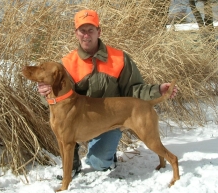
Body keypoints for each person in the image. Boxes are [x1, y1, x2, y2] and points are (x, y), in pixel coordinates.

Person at [38, 9, 178, 179]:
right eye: (82, 30)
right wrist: (47, 93)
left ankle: (107, 156)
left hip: (110, 119)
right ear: (76, 33)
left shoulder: (119, 58)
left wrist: (157, 90)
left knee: (98, 163)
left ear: (99, 31)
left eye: (91, 30)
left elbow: (134, 89)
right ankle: (73, 165)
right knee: (65, 124)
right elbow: (61, 102)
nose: (86, 35)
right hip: (80, 120)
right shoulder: (67, 64)